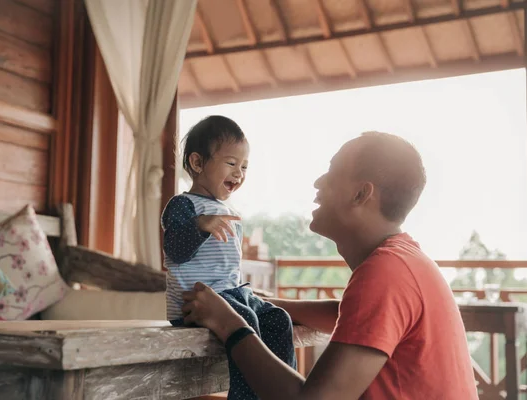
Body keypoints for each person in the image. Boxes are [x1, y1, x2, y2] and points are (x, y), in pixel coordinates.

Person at [182, 131, 478, 400]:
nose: (318, 182)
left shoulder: (387, 273)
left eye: (333, 172)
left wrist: (229, 323)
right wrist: (263, 303)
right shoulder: (406, 260)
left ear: (361, 194)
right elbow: (348, 312)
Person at [161, 115, 297, 400]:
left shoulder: (226, 208)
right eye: (231, 163)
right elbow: (174, 250)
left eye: (244, 166)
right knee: (245, 319)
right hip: (197, 302)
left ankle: (277, 393)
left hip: (232, 293)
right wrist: (199, 225)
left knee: (278, 319)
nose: (239, 173)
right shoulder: (182, 205)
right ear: (198, 164)